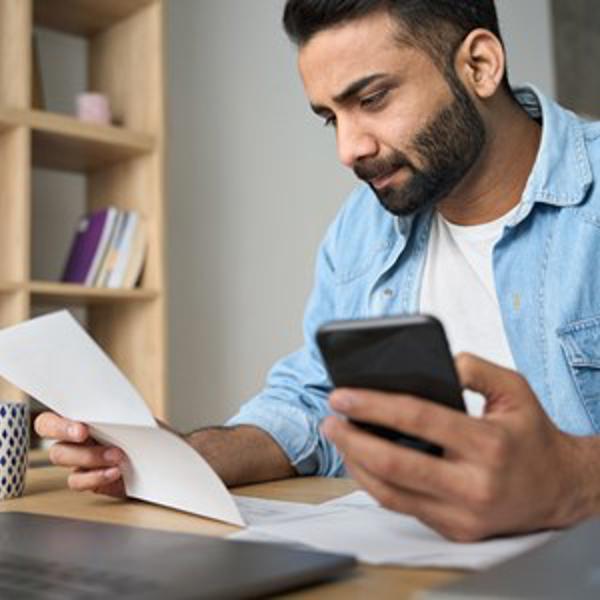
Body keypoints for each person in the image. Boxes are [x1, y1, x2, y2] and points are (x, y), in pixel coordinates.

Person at [35, 0, 600, 542]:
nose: (349, 149)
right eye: (331, 118)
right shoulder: (362, 228)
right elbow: (316, 403)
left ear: (479, 65)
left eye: (373, 99)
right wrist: (183, 457)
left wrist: (572, 480)